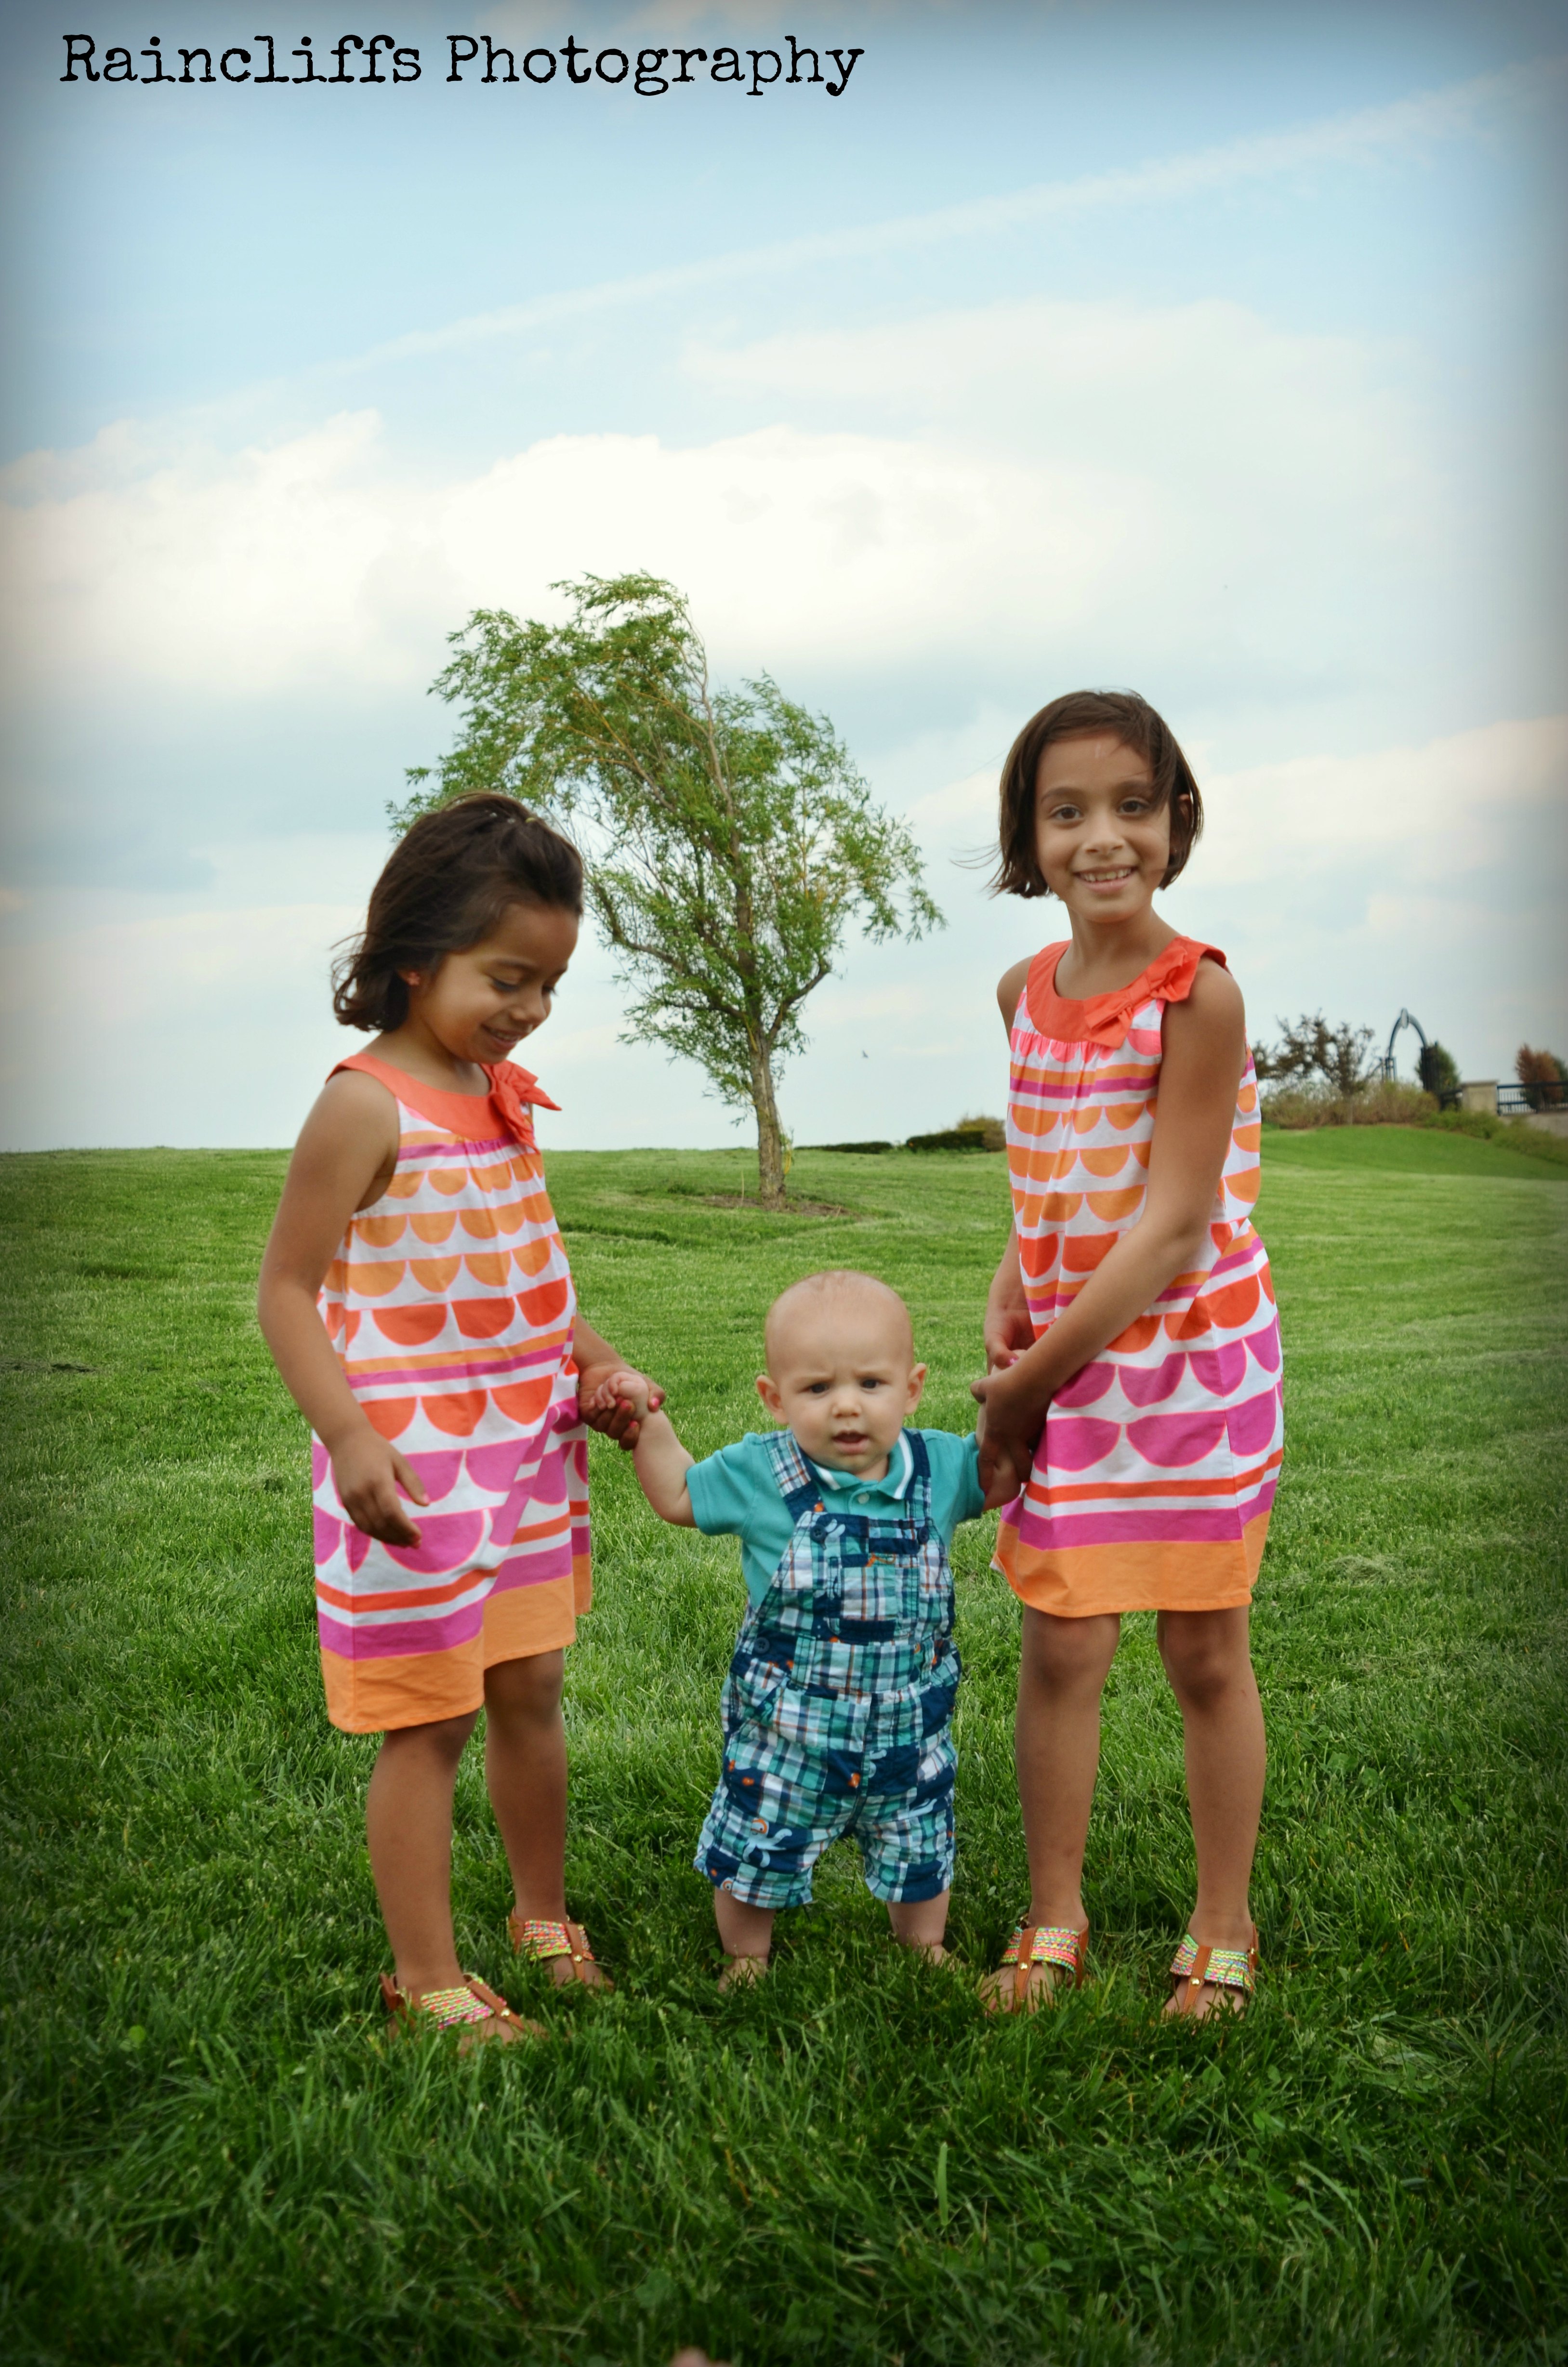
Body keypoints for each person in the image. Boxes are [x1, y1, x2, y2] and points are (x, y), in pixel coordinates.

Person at [257, 793, 660, 2046]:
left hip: (526, 1461)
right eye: (507, 977)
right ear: (416, 956)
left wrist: (598, 1364)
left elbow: (527, 1279)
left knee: (531, 1687)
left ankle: (542, 1918)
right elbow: (285, 1292)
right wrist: (349, 1436)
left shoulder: (497, 1092)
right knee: (429, 1721)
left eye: (550, 984)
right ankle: (426, 1981)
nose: (530, 1006)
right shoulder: (364, 1104)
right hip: (413, 1475)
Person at [972, 691, 1282, 2020]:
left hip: (1191, 1372)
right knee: (1062, 1649)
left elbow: (1168, 1228)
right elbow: (1046, 1175)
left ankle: (1223, 1923)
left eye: (1132, 807)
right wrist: (1012, 1286)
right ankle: (1054, 1916)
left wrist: (1024, 1386)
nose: (1102, 838)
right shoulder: (1022, 993)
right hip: (1069, 1355)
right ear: (1028, 837)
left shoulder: (1198, 997)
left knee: (1203, 1653)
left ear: (1176, 820)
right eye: (1067, 812)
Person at [590, 1271, 990, 1985]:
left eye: (872, 1383)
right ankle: (748, 1954)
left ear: (913, 1388)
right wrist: (649, 1426)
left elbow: (1007, 1466)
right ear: (774, 1398)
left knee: (920, 1841)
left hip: (910, 1730)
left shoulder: (945, 1468)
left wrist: (1012, 1394)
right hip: (789, 1735)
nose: (847, 1405)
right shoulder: (763, 1474)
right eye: (817, 1388)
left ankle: (923, 1941)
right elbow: (679, 1493)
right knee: (759, 1843)